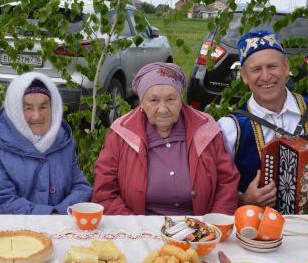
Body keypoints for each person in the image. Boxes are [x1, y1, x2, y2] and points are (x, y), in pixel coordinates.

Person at [93, 62, 239, 215]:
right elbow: (105, 192)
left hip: (199, 230)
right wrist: (136, 227)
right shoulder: (120, 134)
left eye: (171, 99)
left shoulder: (206, 129)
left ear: (181, 101)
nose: (163, 109)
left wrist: (214, 224)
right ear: (141, 104)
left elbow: (227, 182)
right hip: (140, 230)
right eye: (153, 100)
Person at [218, 29, 308, 209]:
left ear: (286, 67)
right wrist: (244, 201)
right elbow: (216, 189)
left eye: (272, 66)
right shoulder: (231, 127)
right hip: (257, 232)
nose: (266, 76)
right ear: (244, 76)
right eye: (256, 69)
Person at [0, 73, 92, 214]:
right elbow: (2, 201)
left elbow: (81, 187)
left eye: (43, 107)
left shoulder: (63, 140)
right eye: (28, 108)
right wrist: (52, 215)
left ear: (54, 108)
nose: (37, 116)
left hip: (61, 227)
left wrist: (61, 211)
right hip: (12, 232)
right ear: (15, 111)